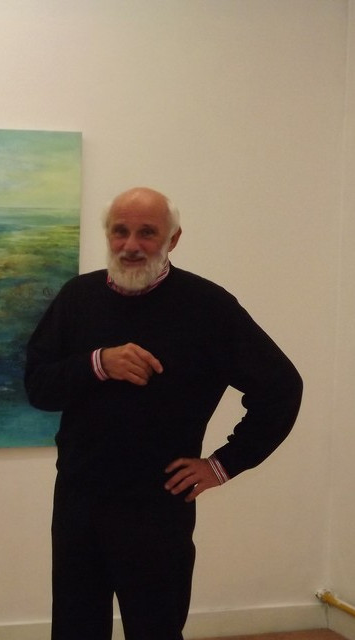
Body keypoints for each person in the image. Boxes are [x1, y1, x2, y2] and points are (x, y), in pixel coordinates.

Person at [24, 187, 302, 640]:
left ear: (173, 239)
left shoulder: (208, 307)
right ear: (107, 235)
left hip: (157, 506)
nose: (131, 245)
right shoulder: (77, 297)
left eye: (147, 233)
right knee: (75, 629)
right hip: (79, 498)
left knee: (156, 630)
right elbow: (38, 386)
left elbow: (282, 388)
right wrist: (98, 363)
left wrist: (222, 465)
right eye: (120, 231)